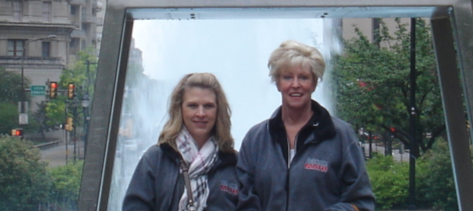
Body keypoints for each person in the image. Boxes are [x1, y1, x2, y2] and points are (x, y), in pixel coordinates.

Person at [236, 40, 375, 211]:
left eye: (303, 77)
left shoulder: (340, 135)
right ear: (277, 83)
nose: (295, 85)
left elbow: (361, 202)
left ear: (314, 83)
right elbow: (244, 200)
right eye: (287, 77)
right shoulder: (256, 139)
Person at [123, 72, 239, 211]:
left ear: (219, 111)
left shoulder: (234, 164)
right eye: (193, 106)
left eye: (208, 106)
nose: (201, 113)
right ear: (179, 109)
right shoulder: (156, 159)